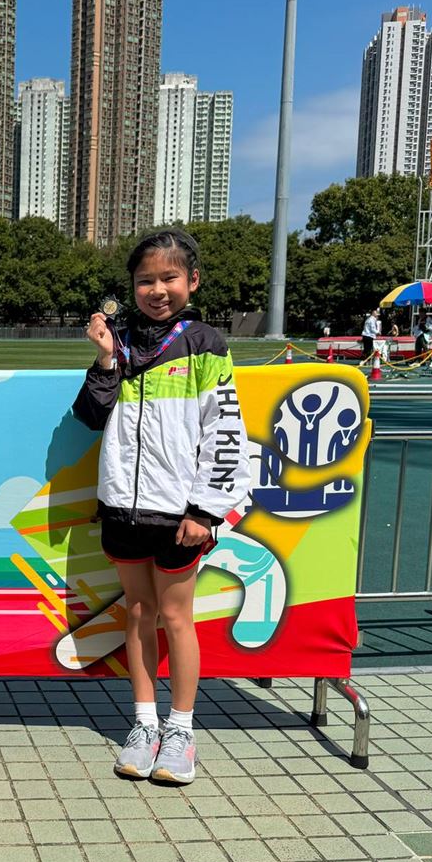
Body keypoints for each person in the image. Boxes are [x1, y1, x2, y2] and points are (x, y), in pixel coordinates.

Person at [72, 229, 251, 786]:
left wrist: (205, 510)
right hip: (122, 509)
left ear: (191, 281)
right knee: (138, 614)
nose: (157, 289)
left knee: (176, 618)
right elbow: (90, 416)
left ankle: (182, 731)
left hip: (179, 515)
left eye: (169, 277)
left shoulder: (205, 343)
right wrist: (106, 358)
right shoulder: (121, 342)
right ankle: (144, 724)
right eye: (145, 280)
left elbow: (225, 431)